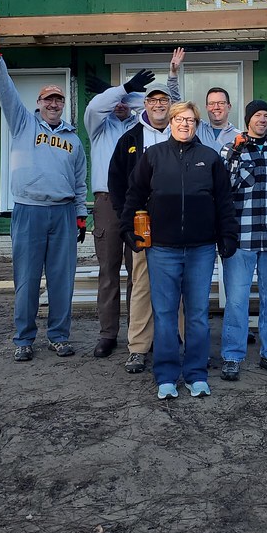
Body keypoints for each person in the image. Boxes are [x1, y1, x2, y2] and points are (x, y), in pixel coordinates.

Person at [121, 101, 239, 399]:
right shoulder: (153, 156)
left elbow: (224, 200)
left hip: (201, 249)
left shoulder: (209, 158)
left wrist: (228, 234)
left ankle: (196, 374)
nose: (185, 124)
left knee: (197, 314)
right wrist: (127, 229)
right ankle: (166, 375)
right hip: (162, 249)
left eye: (190, 120)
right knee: (164, 314)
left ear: (196, 124)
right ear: (171, 122)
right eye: (179, 119)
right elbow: (134, 194)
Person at [0, 32, 87, 362]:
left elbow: (79, 180)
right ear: (39, 103)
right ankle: (24, 338)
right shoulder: (23, 123)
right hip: (29, 211)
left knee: (61, 279)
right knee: (27, 279)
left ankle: (59, 336)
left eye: (58, 100)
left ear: (63, 104)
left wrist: (81, 215)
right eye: (48, 100)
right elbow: (7, 92)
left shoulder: (74, 140)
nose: (54, 104)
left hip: (63, 214)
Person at [83, 50, 183, 359]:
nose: (122, 104)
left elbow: (160, 106)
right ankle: (108, 333)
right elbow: (98, 105)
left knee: (139, 272)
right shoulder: (98, 126)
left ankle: (137, 334)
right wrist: (121, 89)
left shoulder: (138, 128)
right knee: (109, 270)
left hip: (141, 203)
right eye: (116, 99)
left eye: (128, 101)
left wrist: (132, 94)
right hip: (108, 202)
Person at [108, 82, 178, 374]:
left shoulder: (182, 133)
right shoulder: (130, 138)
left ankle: (181, 342)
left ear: (170, 104)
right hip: (144, 223)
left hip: (178, 223)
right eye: (153, 100)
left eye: (164, 100)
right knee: (142, 287)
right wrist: (126, 221)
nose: (159, 104)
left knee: (180, 288)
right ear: (145, 105)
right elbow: (116, 181)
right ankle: (138, 348)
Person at [218, 100, 267, 381]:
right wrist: (237, 152)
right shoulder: (231, 148)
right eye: (257, 115)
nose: (262, 119)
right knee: (237, 300)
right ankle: (232, 355)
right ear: (248, 119)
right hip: (242, 236)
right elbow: (223, 187)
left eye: (266, 116)